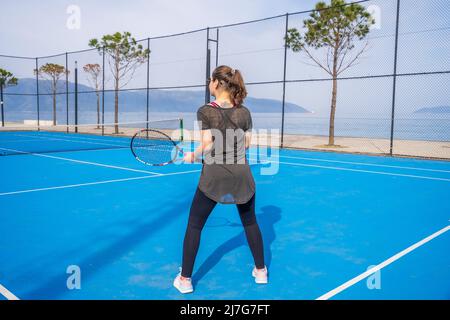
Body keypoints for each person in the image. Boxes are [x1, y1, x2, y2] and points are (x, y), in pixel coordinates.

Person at [173, 65, 267, 294]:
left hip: (214, 177)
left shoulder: (206, 111)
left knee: (195, 224)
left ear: (216, 83)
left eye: (209, 81)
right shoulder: (244, 112)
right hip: (242, 175)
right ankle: (261, 271)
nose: (208, 85)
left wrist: (192, 156)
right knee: (251, 222)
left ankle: (185, 280)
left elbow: (207, 144)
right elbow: (246, 144)